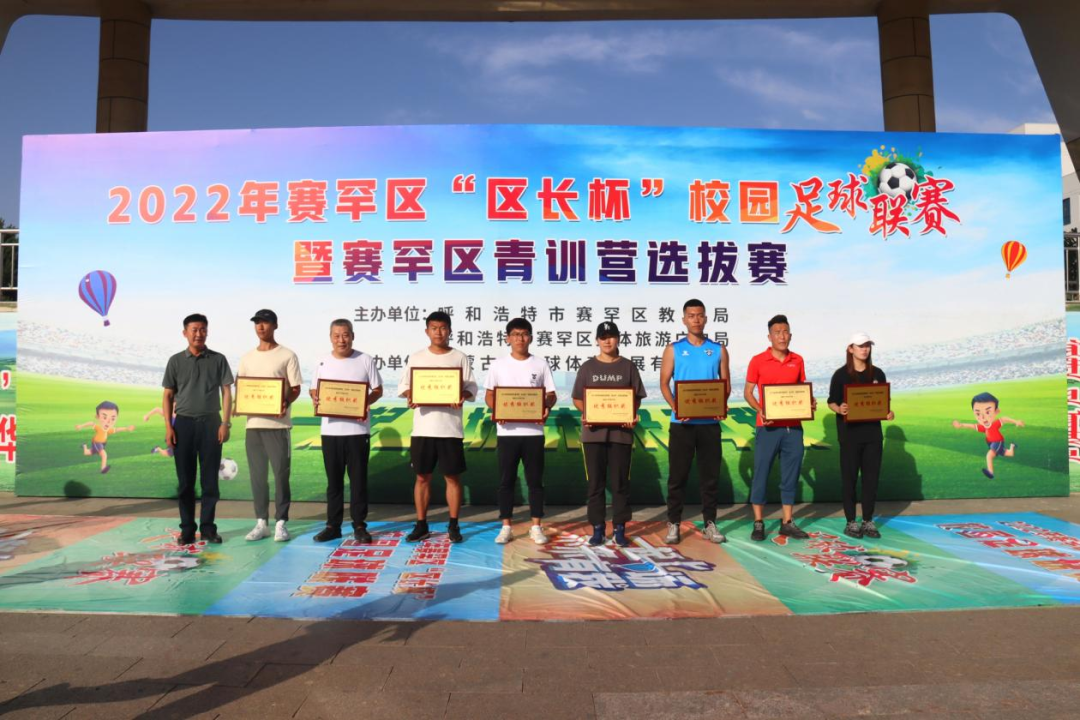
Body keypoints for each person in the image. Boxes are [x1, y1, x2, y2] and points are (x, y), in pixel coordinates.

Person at [398, 311, 478, 544]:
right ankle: (421, 524)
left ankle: (453, 524)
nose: (439, 332)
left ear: (450, 331)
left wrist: (462, 395)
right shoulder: (416, 358)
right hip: (423, 429)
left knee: (452, 478)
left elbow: (471, 388)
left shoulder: (459, 357)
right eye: (434, 328)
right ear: (427, 331)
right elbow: (404, 387)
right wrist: (411, 395)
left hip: (450, 429)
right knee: (422, 478)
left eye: (443, 328)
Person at [659, 299, 730, 545]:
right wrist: (676, 406)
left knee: (710, 477)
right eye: (691, 315)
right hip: (682, 424)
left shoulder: (718, 349)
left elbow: (725, 384)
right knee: (677, 477)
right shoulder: (674, 349)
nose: (696, 319)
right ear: (684, 320)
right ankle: (673, 522)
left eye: (700, 315)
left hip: (709, 423)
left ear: (706, 318)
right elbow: (664, 384)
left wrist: (720, 405)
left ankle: (710, 523)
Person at [571, 321, 646, 548]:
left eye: (611, 336)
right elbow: (577, 398)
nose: (607, 341)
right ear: (596, 340)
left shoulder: (628, 367)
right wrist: (587, 413)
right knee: (595, 484)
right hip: (593, 435)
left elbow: (636, 397)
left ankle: (620, 528)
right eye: (603, 337)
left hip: (621, 435)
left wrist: (631, 413)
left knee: (620, 483)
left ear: (618, 339)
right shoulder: (587, 367)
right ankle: (598, 528)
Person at [484, 318, 557, 545]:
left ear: (531, 338)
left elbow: (551, 394)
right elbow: (489, 395)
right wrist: (498, 410)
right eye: (515, 334)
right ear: (507, 338)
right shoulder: (498, 365)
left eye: (524, 334)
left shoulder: (540, 364)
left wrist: (546, 406)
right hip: (507, 432)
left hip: (533, 432)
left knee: (535, 481)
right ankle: (506, 526)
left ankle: (536, 526)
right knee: (506, 481)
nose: (520, 338)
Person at [162, 313, 234, 545]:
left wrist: (225, 423)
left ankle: (208, 528)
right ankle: (187, 529)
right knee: (185, 482)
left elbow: (226, 392)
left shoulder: (218, 359)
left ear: (207, 332)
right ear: (185, 333)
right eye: (194, 329)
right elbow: (168, 395)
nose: (199, 334)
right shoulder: (175, 361)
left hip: (211, 424)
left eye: (203, 329)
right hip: (183, 425)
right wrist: (169, 427)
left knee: (210, 481)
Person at [744, 314, 816, 542]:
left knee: (791, 474)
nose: (782, 336)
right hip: (767, 428)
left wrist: (809, 403)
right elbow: (748, 392)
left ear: (790, 335)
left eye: (785, 332)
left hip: (793, 428)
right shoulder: (758, 360)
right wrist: (760, 410)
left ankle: (787, 522)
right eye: (777, 332)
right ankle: (758, 522)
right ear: (769, 336)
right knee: (761, 473)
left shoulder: (798, 360)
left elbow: (801, 391)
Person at [310, 319, 383, 543]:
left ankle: (359, 525)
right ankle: (333, 526)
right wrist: (315, 397)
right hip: (331, 431)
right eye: (336, 335)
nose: (341, 340)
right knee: (334, 482)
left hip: (357, 431)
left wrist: (364, 402)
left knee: (358, 481)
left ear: (352, 336)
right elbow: (313, 389)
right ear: (330, 337)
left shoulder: (365, 359)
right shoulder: (322, 361)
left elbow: (378, 389)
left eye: (345, 335)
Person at [239, 309, 302, 543]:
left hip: (278, 426)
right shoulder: (247, 357)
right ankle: (261, 523)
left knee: (280, 475)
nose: (260, 326)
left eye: (265, 322)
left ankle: (281, 523)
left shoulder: (287, 355)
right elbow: (243, 388)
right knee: (257, 476)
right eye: (257, 323)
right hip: (253, 425)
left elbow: (295, 388)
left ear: (275, 325)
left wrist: (285, 402)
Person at [827, 332, 895, 539]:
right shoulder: (840, 375)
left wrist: (888, 413)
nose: (864, 349)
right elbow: (831, 401)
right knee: (849, 480)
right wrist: (840, 409)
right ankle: (851, 521)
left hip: (873, 436)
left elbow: (883, 403)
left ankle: (867, 520)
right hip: (849, 436)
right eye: (860, 346)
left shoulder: (878, 373)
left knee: (870, 480)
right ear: (850, 349)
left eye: (867, 346)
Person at [952, 392, 1024, 480]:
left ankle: (991, 472)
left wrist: (1016, 421)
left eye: (987, 412)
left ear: (996, 411)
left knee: (989, 455)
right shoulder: (984, 427)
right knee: (1008, 453)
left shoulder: (994, 424)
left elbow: (1004, 419)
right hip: (991, 443)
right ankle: (1012, 447)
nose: (983, 417)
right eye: (978, 414)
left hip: (997, 441)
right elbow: (973, 426)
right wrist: (961, 425)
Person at [77, 401, 135, 473]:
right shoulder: (99, 427)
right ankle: (103, 468)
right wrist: (81, 426)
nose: (108, 421)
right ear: (97, 417)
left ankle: (84, 446)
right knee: (104, 455)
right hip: (97, 442)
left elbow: (116, 429)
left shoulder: (108, 430)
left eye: (113, 419)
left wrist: (126, 428)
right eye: (104, 417)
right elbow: (91, 423)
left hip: (102, 444)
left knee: (87, 453)